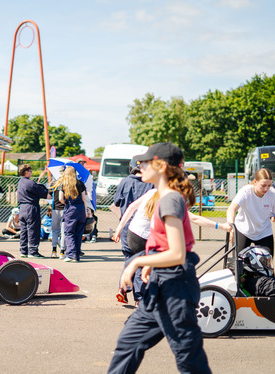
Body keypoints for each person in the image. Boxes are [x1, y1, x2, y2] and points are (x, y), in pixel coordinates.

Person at [108, 142, 211, 374]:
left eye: (144, 162)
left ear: (161, 166)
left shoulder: (170, 199)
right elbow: (164, 244)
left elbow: (177, 253)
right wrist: (151, 260)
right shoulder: (161, 196)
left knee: (189, 358)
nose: (139, 166)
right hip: (158, 286)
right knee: (128, 343)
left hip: (175, 288)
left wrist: (136, 262)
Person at [227, 168, 275, 258]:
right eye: (263, 185)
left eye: (269, 185)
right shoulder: (246, 191)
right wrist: (231, 226)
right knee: (239, 262)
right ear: (255, 182)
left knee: (267, 264)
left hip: (264, 232)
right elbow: (232, 209)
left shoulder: (273, 193)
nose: (266, 189)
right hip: (243, 230)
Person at [113, 159, 154, 259]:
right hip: (145, 228)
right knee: (143, 259)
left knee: (129, 258)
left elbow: (116, 202)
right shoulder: (151, 183)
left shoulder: (125, 182)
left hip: (127, 226)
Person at [17, 164, 49, 258]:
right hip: (31, 207)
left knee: (23, 230)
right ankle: (33, 251)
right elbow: (44, 194)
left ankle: (23, 251)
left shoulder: (20, 182)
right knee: (33, 230)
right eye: (30, 171)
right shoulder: (30, 183)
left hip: (22, 208)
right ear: (26, 172)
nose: (31, 173)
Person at [59, 165, 89, 262]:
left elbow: (60, 199)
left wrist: (67, 203)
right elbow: (84, 199)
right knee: (79, 233)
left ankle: (71, 255)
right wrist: (85, 211)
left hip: (70, 208)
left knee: (69, 232)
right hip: (80, 208)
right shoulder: (80, 183)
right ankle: (77, 254)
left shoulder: (63, 184)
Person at [49, 167, 66, 258]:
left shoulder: (54, 182)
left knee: (55, 230)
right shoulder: (66, 183)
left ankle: (54, 250)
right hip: (64, 208)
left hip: (55, 208)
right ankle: (62, 251)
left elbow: (48, 195)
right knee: (64, 231)